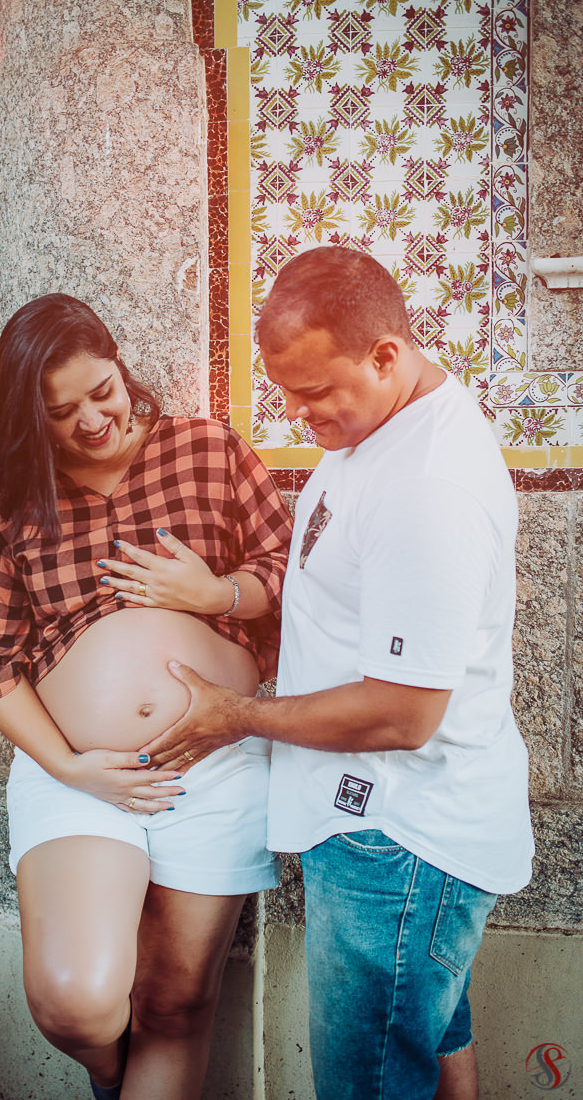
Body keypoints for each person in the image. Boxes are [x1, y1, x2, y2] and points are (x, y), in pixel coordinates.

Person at [144, 246, 534, 1100]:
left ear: (386, 355)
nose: (295, 411)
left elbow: (402, 714)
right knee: (430, 1051)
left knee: (368, 1084)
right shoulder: (385, 420)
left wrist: (236, 716)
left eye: (314, 392)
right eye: (285, 389)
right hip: (385, 830)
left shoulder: (426, 488)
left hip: (397, 839)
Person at [0, 293, 292, 1100]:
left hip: (216, 763)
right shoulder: (14, 505)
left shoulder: (208, 452)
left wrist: (216, 594)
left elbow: (296, 575)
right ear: (31, 417)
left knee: (175, 1003)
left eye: (101, 390)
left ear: (119, 362)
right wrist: (71, 767)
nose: (92, 421)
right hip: (85, 773)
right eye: (62, 412)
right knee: (76, 1002)